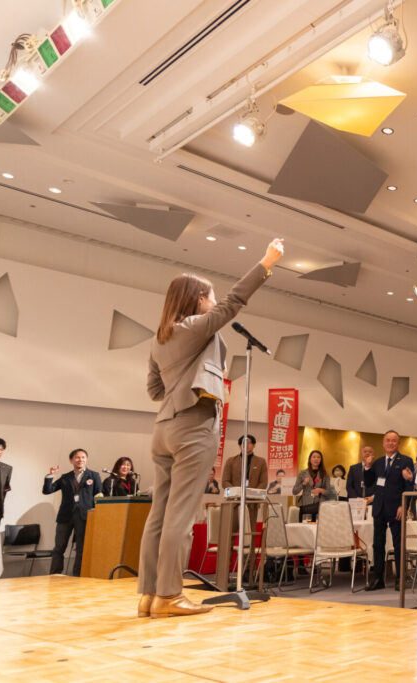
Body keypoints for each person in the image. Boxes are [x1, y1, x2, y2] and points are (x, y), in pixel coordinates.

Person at [138, 237, 282, 618]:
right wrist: (266, 263)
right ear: (198, 300)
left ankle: (148, 595)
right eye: (210, 297)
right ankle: (170, 595)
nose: (215, 302)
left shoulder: (159, 338)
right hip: (193, 426)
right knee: (181, 515)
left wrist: (179, 386)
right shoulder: (196, 328)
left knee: (159, 514)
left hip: (163, 429)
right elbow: (234, 302)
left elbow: (154, 390)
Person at [366, 430, 414, 591]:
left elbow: (409, 485)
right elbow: (369, 483)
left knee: (398, 544)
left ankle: (400, 578)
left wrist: (403, 505)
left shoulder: (406, 460)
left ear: (398, 443)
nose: (391, 443)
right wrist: (367, 466)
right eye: (388, 440)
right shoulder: (378, 462)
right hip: (379, 508)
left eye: (394, 440)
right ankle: (378, 579)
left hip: (396, 508)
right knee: (378, 544)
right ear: (383, 443)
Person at [43, 448, 102, 576]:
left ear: (86, 459)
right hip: (65, 515)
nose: (80, 460)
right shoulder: (66, 477)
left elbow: (99, 494)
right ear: (71, 460)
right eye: (77, 457)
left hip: (84, 516)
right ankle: (55, 574)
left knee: (81, 548)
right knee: (59, 547)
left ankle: (77, 575)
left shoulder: (94, 475)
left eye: (83, 457)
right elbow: (48, 490)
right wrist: (50, 475)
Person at [293, 450, 335, 520]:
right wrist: (303, 484)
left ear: (321, 460)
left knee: (319, 525)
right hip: (306, 505)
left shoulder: (325, 474)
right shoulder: (302, 473)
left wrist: (320, 490)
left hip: (320, 505)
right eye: (314, 457)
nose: (316, 459)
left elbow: (328, 492)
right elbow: (294, 491)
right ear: (310, 459)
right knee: (306, 525)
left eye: (318, 457)